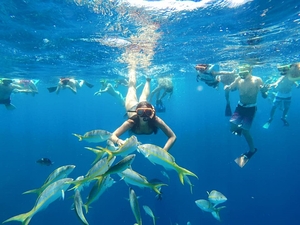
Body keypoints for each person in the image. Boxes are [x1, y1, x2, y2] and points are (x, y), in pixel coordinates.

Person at [109, 67, 176, 152]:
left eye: (147, 112)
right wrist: (118, 141)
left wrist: (164, 152)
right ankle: (132, 69)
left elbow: (173, 136)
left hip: (138, 107)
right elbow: (112, 136)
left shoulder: (155, 120)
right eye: (141, 112)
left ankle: (148, 80)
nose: (144, 115)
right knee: (132, 88)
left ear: (152, 113)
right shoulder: (131, 122)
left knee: (143, 97)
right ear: (137, 113)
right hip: (132, 106)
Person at [224, 64, 269, 168]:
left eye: (244, 73)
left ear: (250, 70)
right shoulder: (238, 79)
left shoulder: (257, 80)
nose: (242, 75)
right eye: (241, 73)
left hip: (250, 108)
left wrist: (263, 91)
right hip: (240, 107)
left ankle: (252, 150)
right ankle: (241, 129)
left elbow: (265, 96)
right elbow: (231, 87)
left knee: (245, 131)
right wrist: (227, 87)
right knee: (232, 126)